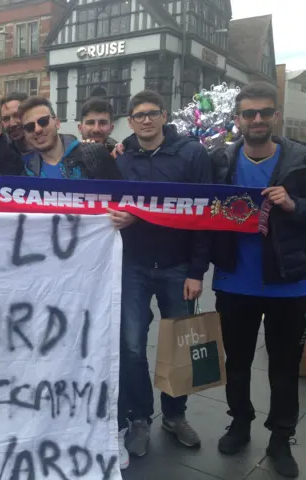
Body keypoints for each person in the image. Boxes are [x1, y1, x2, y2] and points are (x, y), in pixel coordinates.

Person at [210, 83, 306, 478]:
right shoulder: (221, 161)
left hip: (288, 283)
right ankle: (240, 422)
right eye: (249, 114)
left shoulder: (301, 160)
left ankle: (281, 438)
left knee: (284, 368)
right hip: (235, 281)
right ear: (237, 119)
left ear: (276, 116)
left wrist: (294, 204)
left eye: (265, 112)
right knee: (237, 363)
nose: (257, 120)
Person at [111, 91, 212, 467]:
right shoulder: (121, 157)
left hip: (177, 265)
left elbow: (204, 213)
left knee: (178, 346)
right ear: (131, 121)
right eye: (139, 116)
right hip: (133, 265)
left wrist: (197, 271)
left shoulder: (191, 154)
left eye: (152, 114)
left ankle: (174, 415)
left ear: (164, 115)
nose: (146, 121)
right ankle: (139, 417)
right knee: (133, 347)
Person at [17, 96, 123, 180]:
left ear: (57, 123)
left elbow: (121, 198)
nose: (37, 129)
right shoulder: (25, 170)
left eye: (43, 121)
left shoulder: (95, 154)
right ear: (25, 134)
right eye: (29, 127)